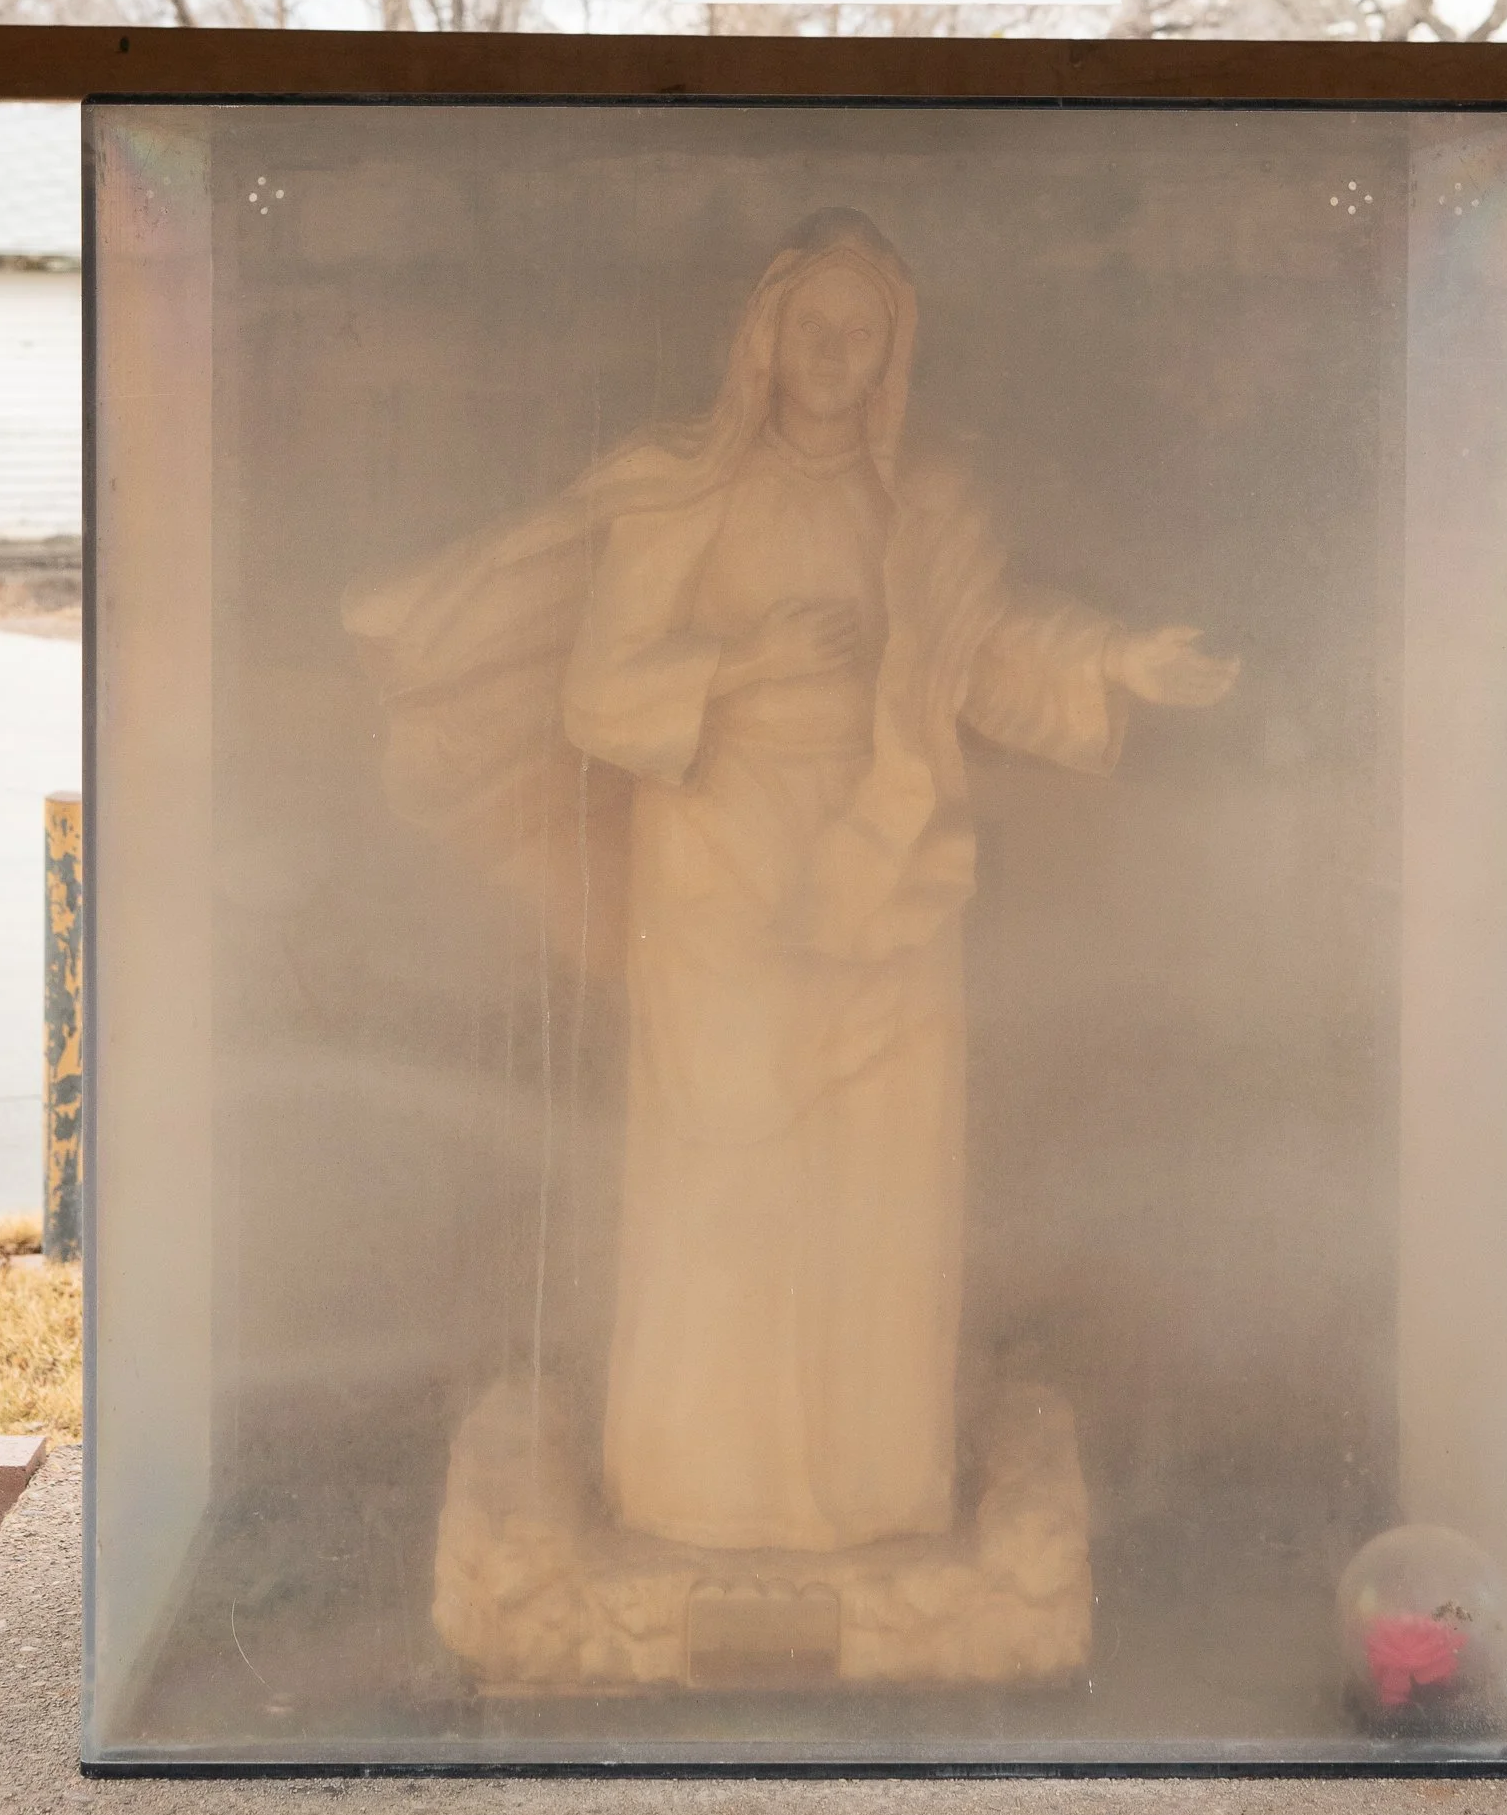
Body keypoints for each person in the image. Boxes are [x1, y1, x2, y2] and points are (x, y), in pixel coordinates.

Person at [347, 209, 1236, 1558]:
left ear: (892, 353)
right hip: (715, 870)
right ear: (764, 337)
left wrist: (1117, 662)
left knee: (878, 1181)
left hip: (880, 867)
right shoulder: (679, 489)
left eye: (862, 334)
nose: (835, 355)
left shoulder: (918, 499)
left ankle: (867, 1485)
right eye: (814, 326)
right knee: (728, 1175)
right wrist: (747, 667)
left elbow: (979, 646)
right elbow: (597, 695)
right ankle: (702, 1484)